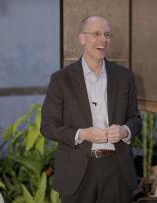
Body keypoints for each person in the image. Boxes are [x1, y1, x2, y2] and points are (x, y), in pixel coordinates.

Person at [41, 15, 142, 203]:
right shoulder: (61, 79)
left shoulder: (124, 76)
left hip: (117, 169)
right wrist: (82, 134)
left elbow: (135, 119)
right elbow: (47, 125)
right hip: (77, 170)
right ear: (82, 38)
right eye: (96, 34)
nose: (103, 40)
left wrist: (124, 130)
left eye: (107, 35)